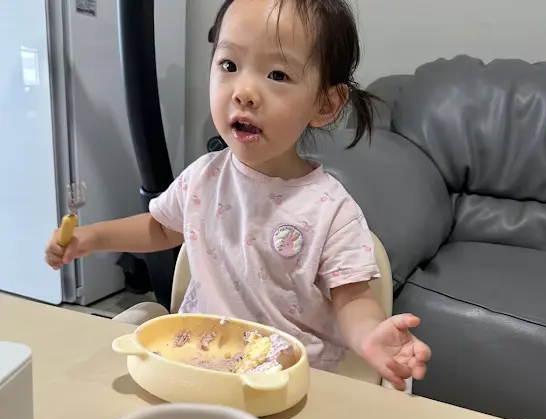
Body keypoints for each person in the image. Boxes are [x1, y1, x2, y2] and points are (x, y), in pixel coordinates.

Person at [45, 0, 431, 390]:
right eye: (229, 65)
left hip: (288, 383)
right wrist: (92, 238)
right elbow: (160, 229)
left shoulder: (331, 211)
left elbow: (353, 300)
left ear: (325, 104)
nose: (244, 92)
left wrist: (370, 335)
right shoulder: (203, 178)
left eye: (277, 74)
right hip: (200, 365)